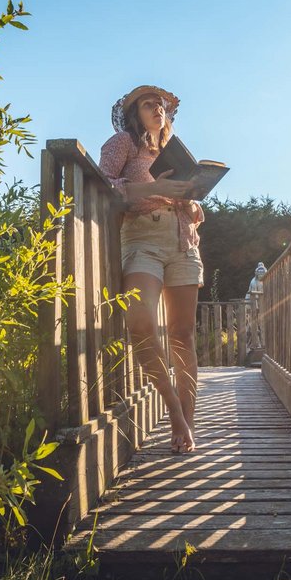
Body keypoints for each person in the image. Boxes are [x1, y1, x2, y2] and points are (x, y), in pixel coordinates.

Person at [99, 85, 204, 454]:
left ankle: (187, 425)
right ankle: (175, 414)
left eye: (161, 105)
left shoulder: (175, 150)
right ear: (134, 114)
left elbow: (189, 200)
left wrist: (192, 205)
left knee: (182, 334)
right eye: (149, 104)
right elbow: (103, 185)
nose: (158, 108)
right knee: (141, 324)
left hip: (183, 239)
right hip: (142, 236)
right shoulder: (122, 144)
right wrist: (151, 190)